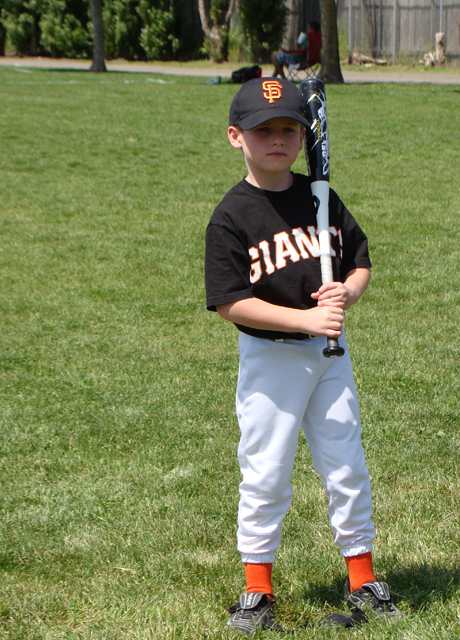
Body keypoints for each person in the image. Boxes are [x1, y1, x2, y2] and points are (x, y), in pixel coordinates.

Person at [204, 77, 404, 633]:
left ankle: (363, 579)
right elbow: (229, 303)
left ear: (304, 137)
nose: (278, 139)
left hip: (330, 355)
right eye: (263, 130)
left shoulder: (321, 198)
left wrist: (349, 293)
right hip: (271, 361)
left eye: (289, 129)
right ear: (235, 136)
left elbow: (359, 260)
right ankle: (257, 589)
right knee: (266, 472)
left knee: (347, 465)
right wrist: (303, 320)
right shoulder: (232, 215)